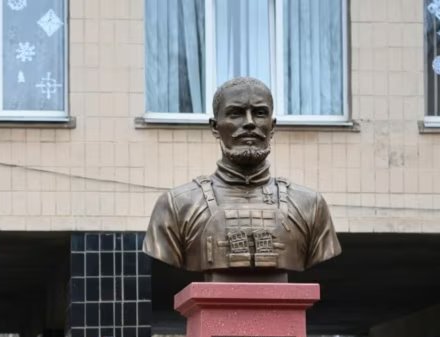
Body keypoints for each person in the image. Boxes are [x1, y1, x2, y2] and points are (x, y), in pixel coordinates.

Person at [143, 76, 341, 279]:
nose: (249, 123)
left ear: (272, 126)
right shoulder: (177, 205)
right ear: (214, 126)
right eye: (236, 113)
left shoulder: (311, 205)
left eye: (260, 113)